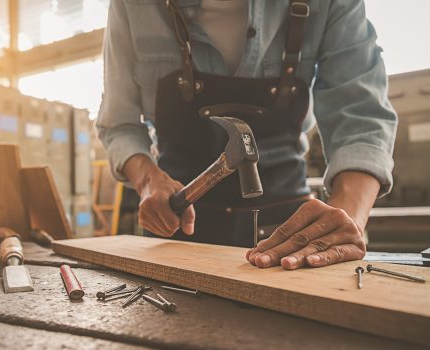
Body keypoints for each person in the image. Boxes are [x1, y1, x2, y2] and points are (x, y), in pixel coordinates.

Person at [96, 0, 397, 270]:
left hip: (288, 237)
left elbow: (362, 118)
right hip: (173, 228)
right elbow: (118, 123)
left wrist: (346, 216)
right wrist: (148, 180)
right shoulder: (130, 5)